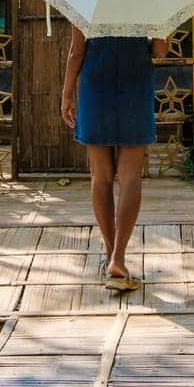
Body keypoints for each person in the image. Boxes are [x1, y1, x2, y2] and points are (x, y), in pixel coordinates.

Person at [61, 25, 167, 291]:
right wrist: (166, 27)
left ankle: (112, 258)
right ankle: (118, 259)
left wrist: (66, 94)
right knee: (131, 178)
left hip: (96, 87)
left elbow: (77, 51)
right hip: (135, 87)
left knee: (101, 177)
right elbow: (160, 51)